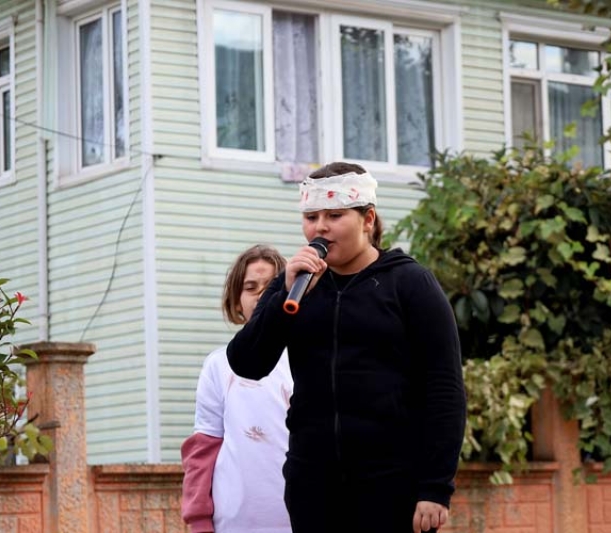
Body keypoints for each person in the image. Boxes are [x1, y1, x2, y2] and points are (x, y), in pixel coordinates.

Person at [227, 162, 467, 533]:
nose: (320, 227)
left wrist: (436, 486)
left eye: (335, 215)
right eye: (311, 217)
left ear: (368, 219)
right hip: (313, 484)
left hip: (394, 484)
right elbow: (247, 363)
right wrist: (282, 296)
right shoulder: (293, 284)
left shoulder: (409, 282)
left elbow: (445, 387)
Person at [181, 244, 292, 533]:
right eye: (250, 287)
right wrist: (199, 519)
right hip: (233, 521)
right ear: (236, 301)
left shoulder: (309, 358)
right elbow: (203, 448)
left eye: (271, 286)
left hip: (302, 517)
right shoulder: (218, 365)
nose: (261, 294)